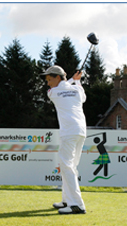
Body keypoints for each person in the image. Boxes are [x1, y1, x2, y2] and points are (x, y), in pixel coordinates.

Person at [41, 65, 86, 215]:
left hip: (69, 132)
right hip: (80, 131)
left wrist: (74, 79)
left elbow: (61, 89)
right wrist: (77, 81)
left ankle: (77, 205)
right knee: (70, 166)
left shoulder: (53, 92)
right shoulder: (78, 89)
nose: (48, 83)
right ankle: (67, 200)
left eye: (49, 79)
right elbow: (82, 97)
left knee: (67, 166)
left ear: (58, 77)